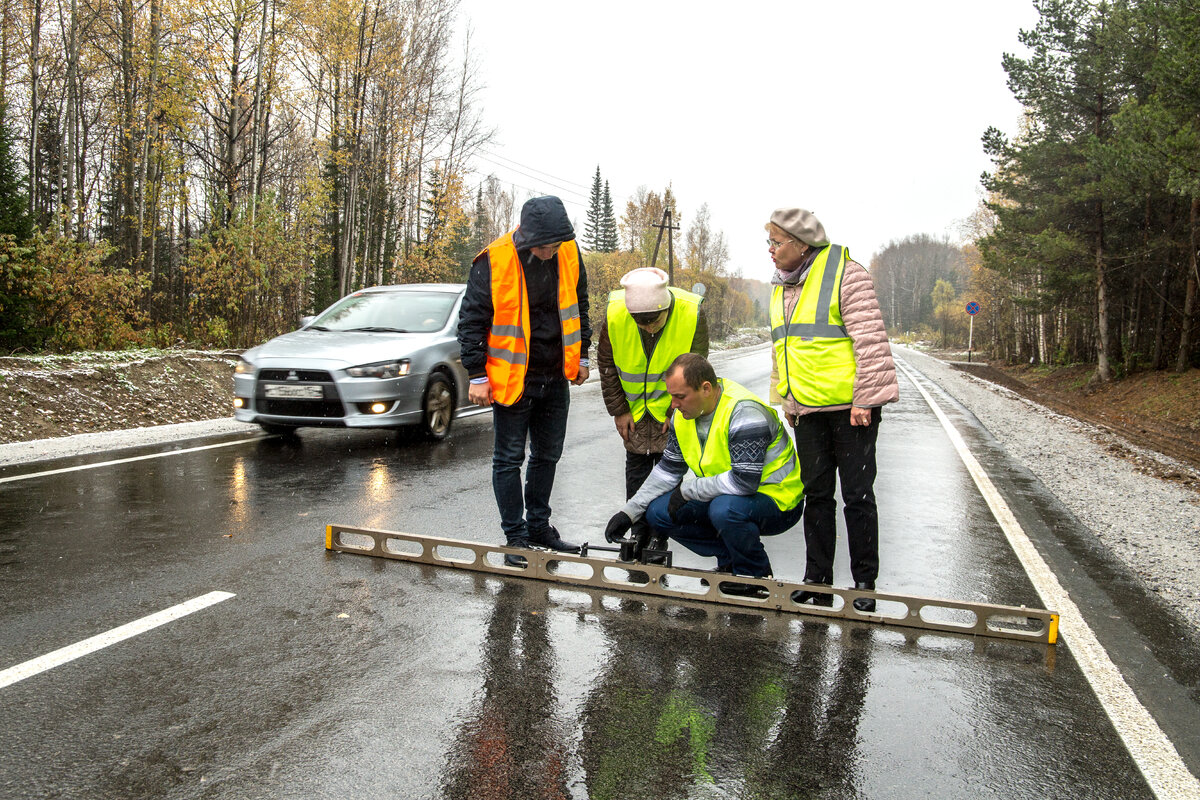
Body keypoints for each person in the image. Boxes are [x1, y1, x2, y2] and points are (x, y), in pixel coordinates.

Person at [766, 207, 898, 611]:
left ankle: (864, 584)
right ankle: (817, 579)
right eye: (768, 242)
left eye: (776, 242)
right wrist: (787, 399)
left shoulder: (847, 274)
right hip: (807, 410)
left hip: (850, 410)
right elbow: (781, 348)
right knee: (817, 495)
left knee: (857, 496)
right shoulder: (781, 286)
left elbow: (870, 341)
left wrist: (866, 400)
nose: (769, 250)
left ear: (801, 244)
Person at [458, 195, 592, 559]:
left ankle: (539, 527)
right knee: (509, 459)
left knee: (548, 456)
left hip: (555, 375)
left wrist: (582, 356)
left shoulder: (567, 252)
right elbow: (471, 322)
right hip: (513, 379)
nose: (552, 251)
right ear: (529, 238)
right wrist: (476, 375)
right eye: (546, 246)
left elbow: (579, 305)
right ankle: (515, 536)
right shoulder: (493, 260)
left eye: (557, 244)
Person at [604, 353, 804, 595]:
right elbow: (667, 471)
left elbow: (743, 483)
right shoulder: (683, 415)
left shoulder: (745, 413)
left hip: (778, 502)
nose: (673, 405)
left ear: (706, 388)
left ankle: (754, 574)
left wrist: (688, 490)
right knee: (658, 512)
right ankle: (730, 559)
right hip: (725, 495)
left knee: (724, 509)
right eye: (671, 396)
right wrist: (630, 512)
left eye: (680, 397)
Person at [597, 267, 708, 560]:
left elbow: (697, 370)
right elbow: (607, 367)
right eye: (640, 322)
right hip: (633, 410)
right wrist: (619, 410)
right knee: (636, 470)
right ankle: (637, 531)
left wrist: (678, 410)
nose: (647, 327)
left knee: (668, 472)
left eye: (653, 321)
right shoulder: (616, 314)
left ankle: (659, 535)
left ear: (666, 308)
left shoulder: (691, 313)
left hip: (671, 410)